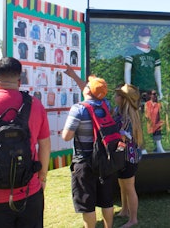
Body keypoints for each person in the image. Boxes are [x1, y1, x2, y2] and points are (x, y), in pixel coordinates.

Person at [0, 57, 51, 228]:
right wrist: (42, 177)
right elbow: (45, 145)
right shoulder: (35, 104)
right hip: (29, 190)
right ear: (20, 81)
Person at [62, 75, 115, 228]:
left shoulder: (78, 109)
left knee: (87, 202)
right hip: (105, 159)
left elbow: (67, 136)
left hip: (84, 162)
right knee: (106, 200)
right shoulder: (106, 105)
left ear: (88, 90)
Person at [114, 84, 143, 228]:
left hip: (128, 158)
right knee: (122, 184)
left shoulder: (127, 117)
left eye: (118, 95)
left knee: (129, 187)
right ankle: (124, 210)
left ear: (124, 99)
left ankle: (133, 219)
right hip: (124, 157)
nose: (115, 97)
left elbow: (123, 137)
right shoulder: (121, 112)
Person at [124, 26, 163, 102]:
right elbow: (127, 70)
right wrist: (128, 88)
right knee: (137, 112)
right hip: (137, 88)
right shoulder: (131, 52)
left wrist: (159, 89)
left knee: (152, 112)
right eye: (144, 36)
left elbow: (157, 72)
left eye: (148, 36)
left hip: (151, 89)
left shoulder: (155, 54)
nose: (146, 38)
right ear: (139, 36)